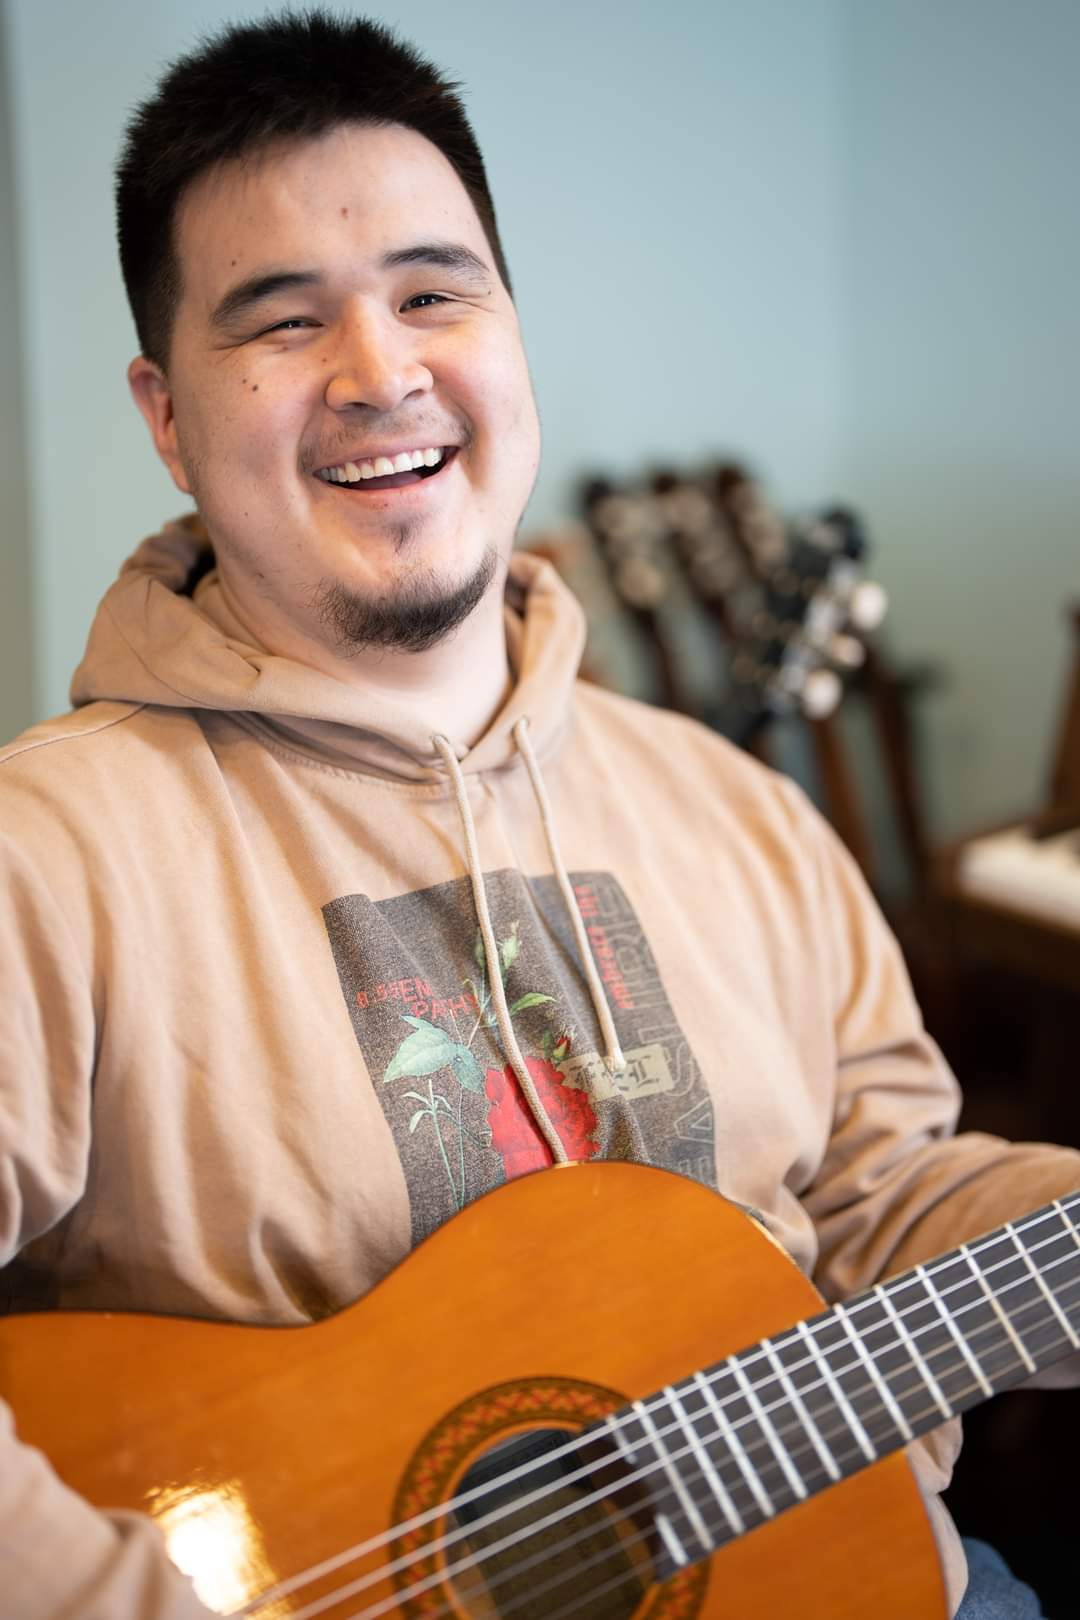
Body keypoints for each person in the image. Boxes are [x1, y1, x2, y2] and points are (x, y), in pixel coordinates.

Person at [0, 12, 1074, 1618]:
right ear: (167, 417)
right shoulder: (46, 852)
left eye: (436, 294)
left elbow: (870, 1201)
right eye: (283, 321)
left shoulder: (746, 814)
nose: (383, 373)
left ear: (511, 334)